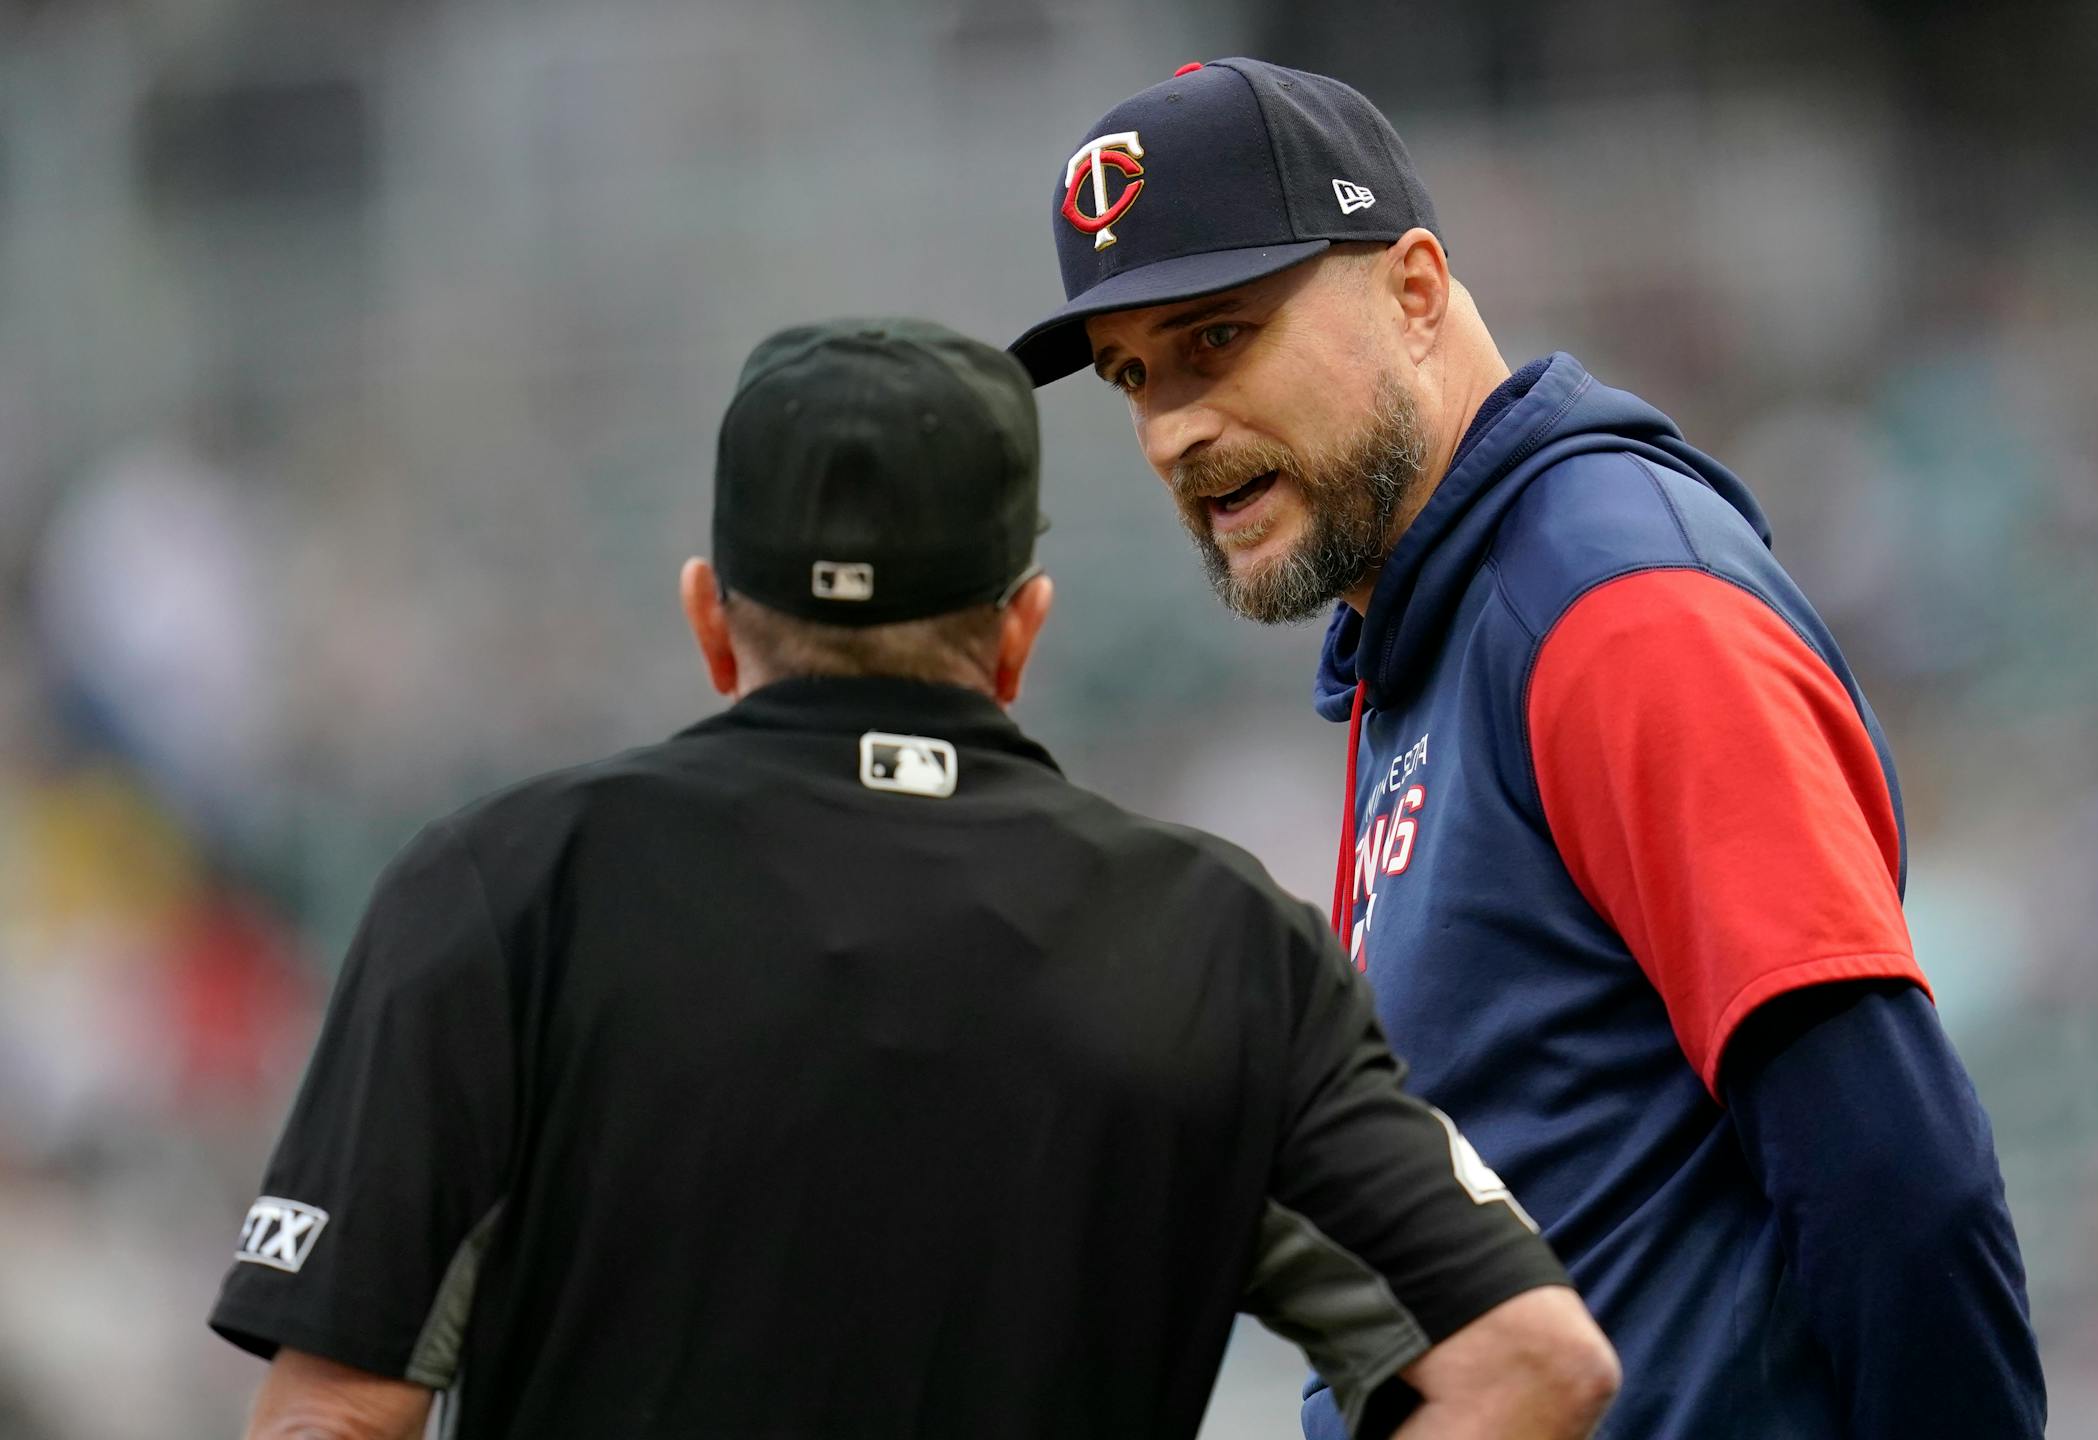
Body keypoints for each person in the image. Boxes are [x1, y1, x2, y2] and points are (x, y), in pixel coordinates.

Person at [208, 318, 1619, 1440]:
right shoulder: (1224, 947)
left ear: (710, 617)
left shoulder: (500, 892)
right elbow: (1535, 1367)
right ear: (1021, 631)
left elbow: (336, 1414)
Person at [1011, 58, 2047, 1440]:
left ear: (1417, 289)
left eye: (1219, 339)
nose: (1171, 430)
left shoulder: (1610, 607)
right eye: (1134, 376)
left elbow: (1901, 1185)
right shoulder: (1441, 628)